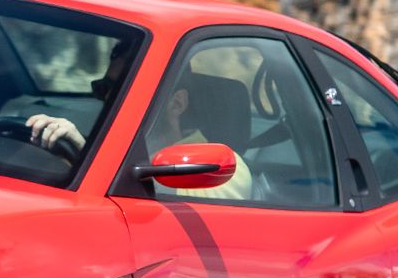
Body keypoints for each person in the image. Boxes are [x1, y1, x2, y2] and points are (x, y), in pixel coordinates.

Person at [24, 68, 253, 200]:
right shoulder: (117, 153)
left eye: (126, 91)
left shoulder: (227, 168)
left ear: (176, 104)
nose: (108, 102)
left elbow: (166, 209)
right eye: (105, 89)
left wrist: (84, 154)